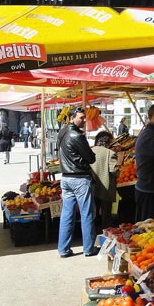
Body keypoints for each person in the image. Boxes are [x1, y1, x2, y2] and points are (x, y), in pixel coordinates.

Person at [57, 107, 99, 258]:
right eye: (81, 117)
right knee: (86, 213)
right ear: (72, 117)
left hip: (66, 178)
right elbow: (91, 158)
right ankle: (89, 248)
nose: (84, 120)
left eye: (84, 117)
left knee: (67, 214)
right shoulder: (77, 135)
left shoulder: (62, 132)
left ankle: (63, 249)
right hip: (79, 178)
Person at [90, 132, 119, 230]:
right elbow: (114, 170)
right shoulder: (110, 153)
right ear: (108, 142)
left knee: (93, 214)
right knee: (106, 215)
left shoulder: (90, 151)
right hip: (106, 189)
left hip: (92, 188)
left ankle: (92, 235)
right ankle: (105, 234)